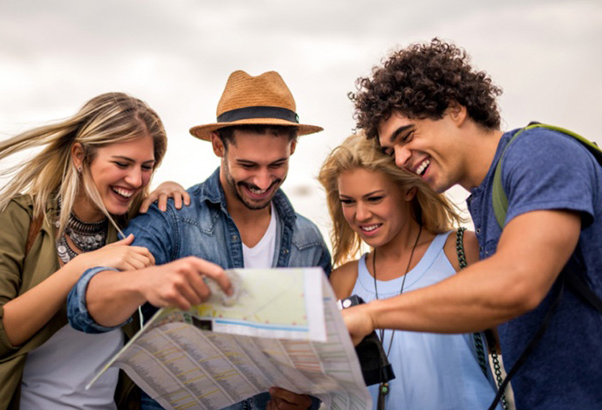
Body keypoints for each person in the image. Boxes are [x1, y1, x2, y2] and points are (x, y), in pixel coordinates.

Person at [343, 38, 602, 409]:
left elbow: (517, 282)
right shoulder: (486, 196)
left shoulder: (540, 153)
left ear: (455, 109)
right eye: (389, 150)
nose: (400, 158)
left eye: (407, 135)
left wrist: (369, 314)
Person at [67, 71, 331, 410]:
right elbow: (83, 306)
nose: (263, 181)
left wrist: (305, 399)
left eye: (277, 164)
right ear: (218, 146)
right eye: (248, 165)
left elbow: (320, 357)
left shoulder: (309, 242)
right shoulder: (171, 219)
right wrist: (145, 281)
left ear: (293, 147)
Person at [0, 92, 201, 410]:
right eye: (122, 163)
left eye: (147, 166)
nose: (135, 179)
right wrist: (81, 267)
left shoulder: (136, 226)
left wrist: (167, 189)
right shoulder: (17, 215)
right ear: (79, 155)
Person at [318, 132, 500, 409]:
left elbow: (510, 343)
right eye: (348, 201)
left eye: (375, 198)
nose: (361, 215)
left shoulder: (461, 251)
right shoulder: (343, 280)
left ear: (408, 189)